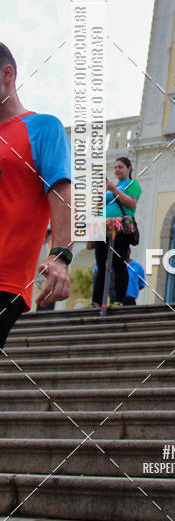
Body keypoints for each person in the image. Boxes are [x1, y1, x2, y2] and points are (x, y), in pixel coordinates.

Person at [0, 43, 72, 348]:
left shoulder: (42, 128)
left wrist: (61, 255)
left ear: (7, 73)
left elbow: (62, 191)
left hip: (4, 279)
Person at [92, 157, 141, 308]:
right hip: (103, 227)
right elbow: (99, 207)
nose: (117, 170)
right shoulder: (114, 186)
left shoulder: (132, 184)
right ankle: (97, 301)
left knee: (119, 263)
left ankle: (119, 299)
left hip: (120, 228)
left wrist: (113, 189)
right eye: (115, 167)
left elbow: (131, 203)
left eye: (120, 167)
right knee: (100, 264)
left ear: (129, 168)